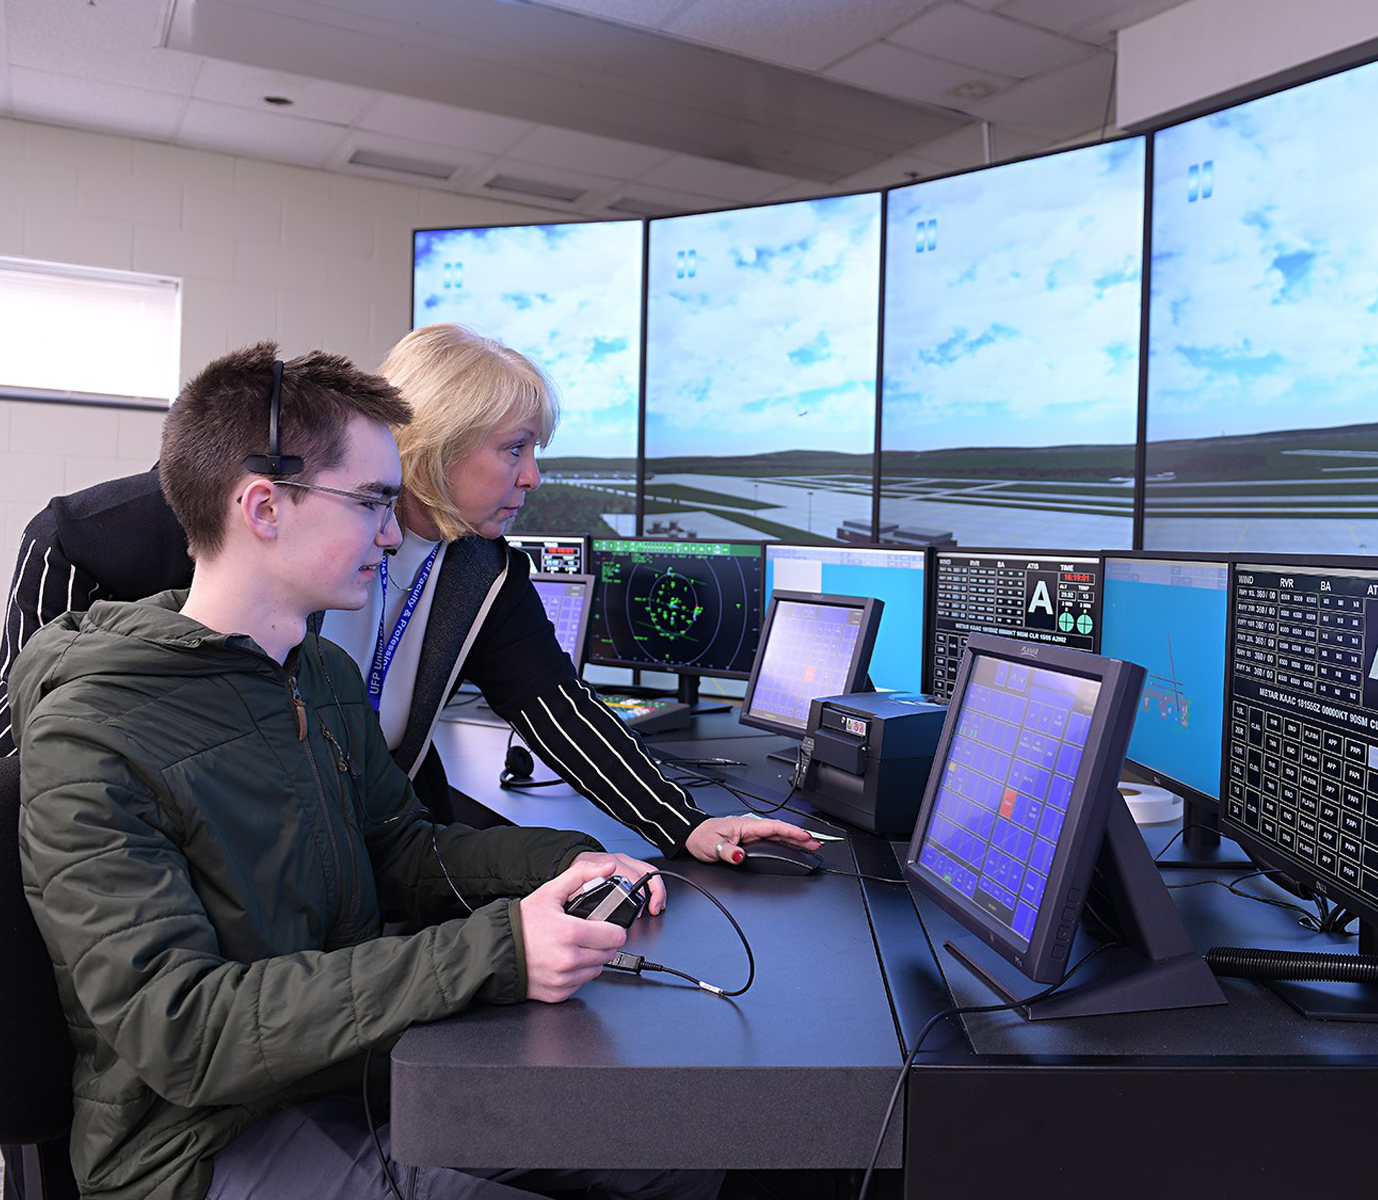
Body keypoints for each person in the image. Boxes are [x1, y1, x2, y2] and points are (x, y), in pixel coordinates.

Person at [12, 344, 721, 1200]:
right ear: (264, 508)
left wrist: (561, 863)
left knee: (683, 1144)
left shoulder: (321, 678)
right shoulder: (89, 737)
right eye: (373, 504)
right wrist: (498, 950)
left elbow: (401, 851)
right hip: (194, 1139)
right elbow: (186, 1031)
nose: (393, 534)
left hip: (338, 1064)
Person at [0, 322, 815, 877]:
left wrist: (684, 824)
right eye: (516, 449)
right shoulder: (261, 513)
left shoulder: (478, 565)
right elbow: (68, 540)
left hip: (354, 835)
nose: (533, 477)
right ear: (441, 441)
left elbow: (553, 706)